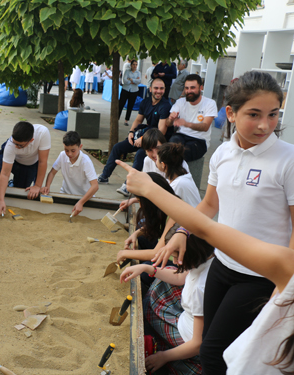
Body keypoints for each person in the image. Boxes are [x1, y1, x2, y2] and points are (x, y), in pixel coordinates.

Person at [150, 71, 294, 374]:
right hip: (222, 265)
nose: (264, 125)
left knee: (216, 352)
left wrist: (283, 289)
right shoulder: (222, 154)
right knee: (210, 349)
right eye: (253, 114)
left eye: (272, 114)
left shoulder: (287, 160)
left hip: (262, 276)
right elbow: (209, 205)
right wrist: (182, 230)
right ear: (230, 113)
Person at [118, 155, 294, 375]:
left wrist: (149, 190)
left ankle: (165, 352)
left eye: (174, 256)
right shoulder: (203, 263)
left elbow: (207, 229)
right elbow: (202, 234)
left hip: (191, 333)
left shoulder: (203, 284)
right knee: (156, 287)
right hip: (203, 301)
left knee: (205, 347)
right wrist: (148, 267)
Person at [121, 222, 213, 375]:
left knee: (150, 306)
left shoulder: (199, 288)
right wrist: (147, 268)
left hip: (189, 340)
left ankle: (163, 347)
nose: (175, 261)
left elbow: (197, 344)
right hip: (191, 321)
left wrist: (164, 357)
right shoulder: (210, 260)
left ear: (191, 252)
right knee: (166, 273)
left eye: (177, 256)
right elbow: (180, 277)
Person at [97, 78, 171, 193]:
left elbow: (161, 131)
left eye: (162, 88)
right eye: (156, 88)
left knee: (141, 154)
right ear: (150, 89)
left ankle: (127, 186)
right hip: (144, 135)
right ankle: (104, 176)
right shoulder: (145, 102)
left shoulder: (165, 105)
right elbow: (138, 119)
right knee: (117, 147)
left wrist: (143, 139)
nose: (159, 91)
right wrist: (131, 132)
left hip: (157, 142)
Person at [0, 121, 51, 215]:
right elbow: (5, 173)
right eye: (14, 142)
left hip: (28, 163)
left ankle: (12, 184)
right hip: (12, 157)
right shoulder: (10, 145)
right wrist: (1, 200)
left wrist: (37, 186)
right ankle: (5, 186)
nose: (16, 146)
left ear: (31, 140)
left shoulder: (43, 133)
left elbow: (42, 162)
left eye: (20, 145)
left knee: (20, 191)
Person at [42, 131, 98, 217]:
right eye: (66, 150)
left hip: (84, 197)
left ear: (80, 147)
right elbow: (52, 172)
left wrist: (81, 202)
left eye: (73, 151)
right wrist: (47, 186)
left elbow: (95, 186)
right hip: (65, 193)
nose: (69, 154)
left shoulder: (86, 162)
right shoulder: (62, 155)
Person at [166, 74, 218, 162]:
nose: (189, 91)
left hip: (199, 140)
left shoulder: (210, 103)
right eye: (186, 88)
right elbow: (167, 124)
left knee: (182, 154)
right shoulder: (180, 102)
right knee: (170, 149)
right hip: (180, 136)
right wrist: (171, 118)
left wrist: (186, 124)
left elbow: (205, 127)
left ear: (200, 88)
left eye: (192, 88)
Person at [156, 142, 201, 207]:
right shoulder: (181, 175)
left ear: (163, 165)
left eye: (157, 159)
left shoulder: (179, 184)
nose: (155, 161)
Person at [119, 60, 141, 126]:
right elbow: (125, 80)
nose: (135, 66)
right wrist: (134, 81)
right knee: (121, 104)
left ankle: (126, 120)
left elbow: (139, 81)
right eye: (133, 64)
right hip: (125, 89)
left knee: (130, 106)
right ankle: (117, 118)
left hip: (134, 90)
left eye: (136, 64)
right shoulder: (127, 71)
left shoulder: (138, 73)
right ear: (131, 65)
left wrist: (131, 79)